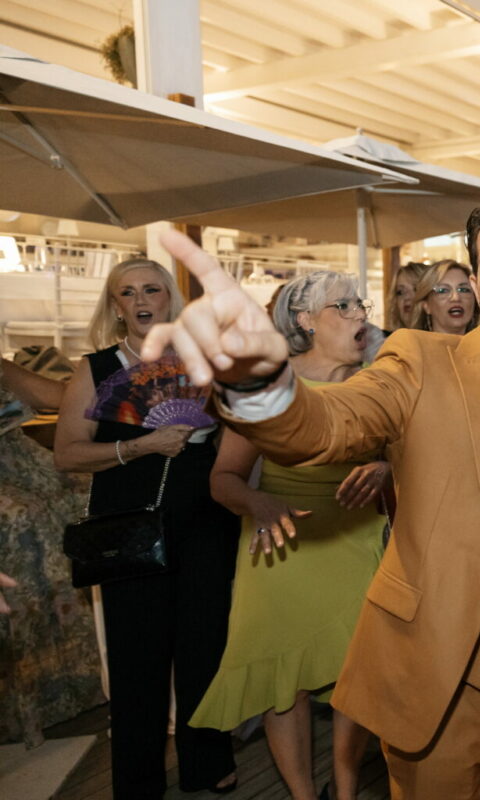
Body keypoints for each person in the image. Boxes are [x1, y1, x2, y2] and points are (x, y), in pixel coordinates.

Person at [142, 191, 480, 798]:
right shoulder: (416, 362)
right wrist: (259, 383)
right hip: (444, 689)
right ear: (478, 285)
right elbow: (327, 425)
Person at [191, 272, 389, 800]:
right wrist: (258, 503)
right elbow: (223, 478)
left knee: (357, 673)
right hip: (281, 544)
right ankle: (303, 795)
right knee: (284, 681)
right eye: (343, 305)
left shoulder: (379, 384)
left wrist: (388, 469)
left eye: (360, 304)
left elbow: (413, 456)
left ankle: (345, 789)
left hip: (356, 539)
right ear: (305, 320)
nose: (359, 314)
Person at [53, 257, 239, 797]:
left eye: (151, 289)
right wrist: (142, 444)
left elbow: (241, 432)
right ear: (116, 306)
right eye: (127, 292)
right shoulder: (97, 368)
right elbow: (67, 453)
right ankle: (138, 781)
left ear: (168, 299)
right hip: (129, 530)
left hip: (205, 521)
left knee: (206, 647)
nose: (140, 300)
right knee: (137, 658)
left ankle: (208, 762)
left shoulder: (205, 360)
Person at [0, 357, 101, 747]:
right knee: (23, 519)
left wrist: (112, 386)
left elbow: (56, 395)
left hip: (19, 460)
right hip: (11, 486)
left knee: (94, 492)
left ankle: (94, 673)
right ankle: (29, 695)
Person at [413, 259, 477, 335]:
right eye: (443, 290)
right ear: (426, 305)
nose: (456, 298)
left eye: (463, 290)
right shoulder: (408, 341)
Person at [387, 260, 429, 331]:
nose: (407, 297)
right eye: (400, 292)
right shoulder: (389, 337)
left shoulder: (445, 337)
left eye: (416, 289)